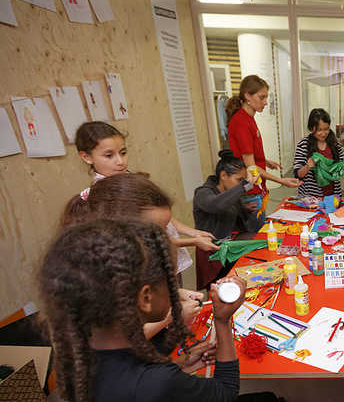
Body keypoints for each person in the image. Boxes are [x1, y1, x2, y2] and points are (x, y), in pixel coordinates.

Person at [38, 219, 244, 402]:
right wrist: (222, 321)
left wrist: (178, 364)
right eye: (170, 282)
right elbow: (225, 393)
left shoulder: (74, 357)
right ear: (146, 297)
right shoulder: (158, 383)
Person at [63, 173, 208, 340]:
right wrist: (172, 316)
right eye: (155, 231)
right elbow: (120, 340)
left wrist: (174, 294)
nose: (163, 238)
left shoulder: (132, 259)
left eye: (165, 229)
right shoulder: (96, 275)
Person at [71, 121, 218, 274]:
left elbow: (162, 216)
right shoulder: (109, 197)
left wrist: (192, 232)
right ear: (87, 157)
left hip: (169, 253)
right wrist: (193, 241)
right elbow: (146, 240)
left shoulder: (127, 178)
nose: (120, 162)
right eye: (109, 155)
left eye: (123, 153)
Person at [193, 150, 263, 289]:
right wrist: (245, 186)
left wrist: (246, 209)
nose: (240, 184)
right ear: (223, 175)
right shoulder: (203, 193)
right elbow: (216, 204)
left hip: (228, 246)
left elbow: (235, 215)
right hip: (212, 251)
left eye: (243, 180)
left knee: (260, 240)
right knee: (218, 290)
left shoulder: (230, 191)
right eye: (239, 180)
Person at [226, 74, 300, 189]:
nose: (266, 102)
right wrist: (280, 180)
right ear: (247, 96)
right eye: (262, 97)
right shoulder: (241, 122)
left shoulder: (248, 118)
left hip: (253, 185)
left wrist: (264, 161)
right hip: (248, 189)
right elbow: (250, 166)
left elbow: (245, 154)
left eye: (266, 98)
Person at [294, 108, 344, 198]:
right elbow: (298, 175)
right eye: (319, 130)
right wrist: (307, 167)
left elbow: (340, 170)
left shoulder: (336, 145)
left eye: (326, 129)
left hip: (333, 196)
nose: (323, 133)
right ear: (311, 128)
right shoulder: (303, 145)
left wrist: (342, 167)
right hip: (311, 198)